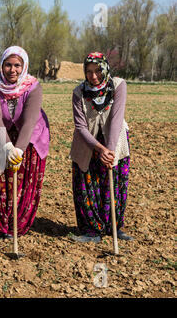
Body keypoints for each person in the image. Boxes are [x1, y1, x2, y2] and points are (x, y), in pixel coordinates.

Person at [0, 46, 50, 242]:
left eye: (17, 65)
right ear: (2, 65)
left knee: (23, 181)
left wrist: (18, 150)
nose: (12, 70)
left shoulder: (33, 86)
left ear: (24, 66)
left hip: (29, 135)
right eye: (8, 65)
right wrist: (7, 147)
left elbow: (30, 121)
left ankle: (15, 226)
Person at [69, 52, 133, 243]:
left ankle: (115, 227)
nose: (93, 76)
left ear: (105, 69)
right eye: (88, 71)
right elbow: (80, 126)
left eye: (98, 70)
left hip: (114, 141)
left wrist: (110, 150)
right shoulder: (78, 92)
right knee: (87, 186)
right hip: (87, 143)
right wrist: (99, 149)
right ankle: (91, 231)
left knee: (115, 184)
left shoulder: (118, 86)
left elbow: (116, 118)